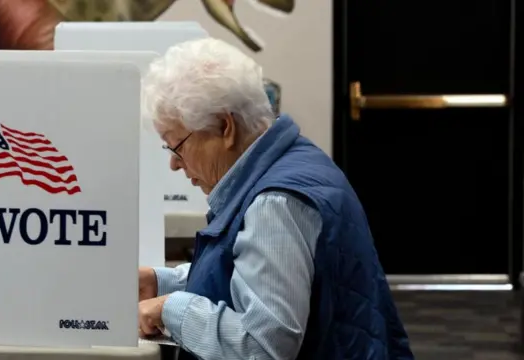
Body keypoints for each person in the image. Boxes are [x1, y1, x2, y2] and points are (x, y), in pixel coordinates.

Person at [137, 37, 414, 360]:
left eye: (177, 145)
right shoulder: (294, 161)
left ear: (225, 127)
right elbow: (250, 276)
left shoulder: (275, 204)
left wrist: (173, 309)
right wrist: (165, 283)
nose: (174, 163)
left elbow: (262, 346)